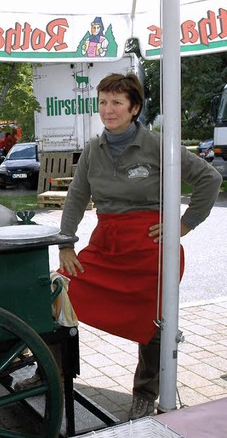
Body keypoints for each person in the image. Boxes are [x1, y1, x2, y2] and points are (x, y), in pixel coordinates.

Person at [58, 72, 222, 420]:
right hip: (106, 247)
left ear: (134, 108)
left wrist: (184, 224)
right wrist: (66, 244)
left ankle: (145, 394)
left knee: (155, 319)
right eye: (103, 101)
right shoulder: (92, 149)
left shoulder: (160, 145)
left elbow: (210, 178)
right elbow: (76, 197)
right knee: (58, 293)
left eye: (117, 102)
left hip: (151, 251)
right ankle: (52, 372)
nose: (108, 109)